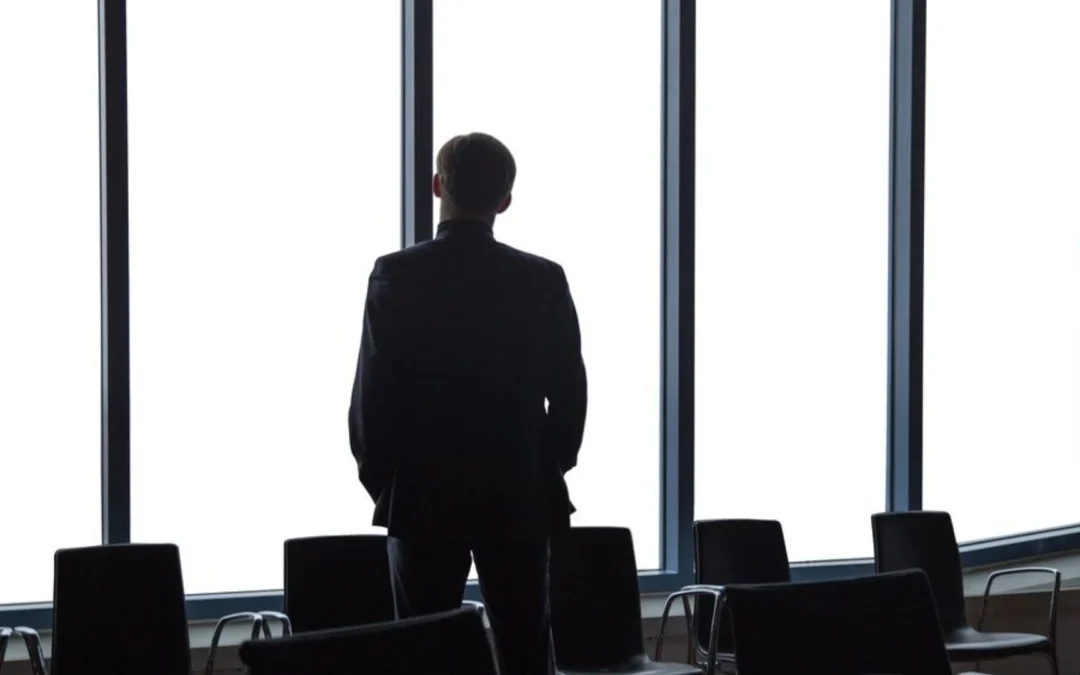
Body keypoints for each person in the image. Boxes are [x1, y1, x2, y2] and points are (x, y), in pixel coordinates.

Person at [348, 132, 587, 675]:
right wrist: (545, 465)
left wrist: (385, 480)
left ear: (437, 186)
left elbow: (373, 394)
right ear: (505, 200)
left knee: (423, 651)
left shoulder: (397, 274)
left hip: (425, 491)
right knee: (525, 648)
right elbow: (570, 393)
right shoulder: (542, 279)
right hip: (518, 490)